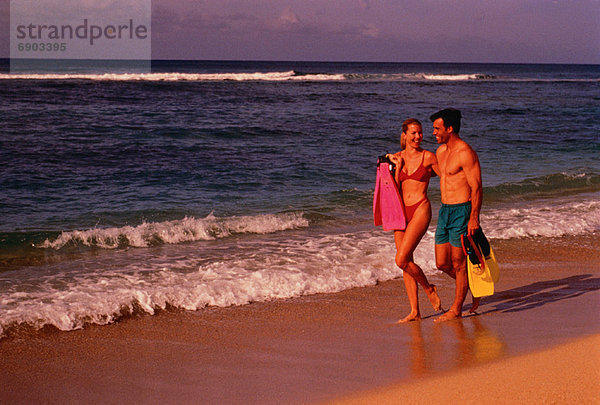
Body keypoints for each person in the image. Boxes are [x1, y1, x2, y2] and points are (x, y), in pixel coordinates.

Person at [430, 108, 483, 322]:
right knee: (442, 263)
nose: (434, 132)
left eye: (437, 128)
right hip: (445, 211)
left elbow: (477, 187)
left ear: (449, 128)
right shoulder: (441, 152)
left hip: (462, 211)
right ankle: (471, 286)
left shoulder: (465, 153)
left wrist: (474, 217)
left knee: (459, 263)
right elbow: (440, 174)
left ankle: (456, 309)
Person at [387, 118, 442, 323]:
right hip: (400, 212)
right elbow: (391, 190)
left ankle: (429, 288)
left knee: (401, 259)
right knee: (405, 262)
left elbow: (446, 178)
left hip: (420, 208)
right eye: (413, 133)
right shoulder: (396, 158)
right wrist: (398, 165)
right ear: (405, 135)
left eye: (420, 133)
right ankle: (415, 311)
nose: (418, 136)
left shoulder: (428, 157)